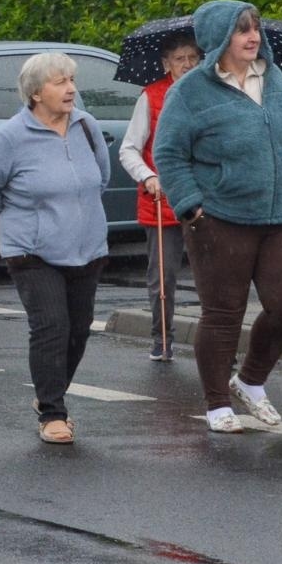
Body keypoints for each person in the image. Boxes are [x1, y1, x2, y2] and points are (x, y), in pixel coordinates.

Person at [154, 1, 282, 433]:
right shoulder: (191, 91)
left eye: (255, 29)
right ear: (219, 38)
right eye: (242, 31)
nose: (253, 37)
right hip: (220, 217)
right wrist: (190, 206)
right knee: (223, 313)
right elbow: (169, 154)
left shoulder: (274, 81)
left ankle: (251, 380)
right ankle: (217, 402)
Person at [0, 52, 110, 445]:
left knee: (78, 331)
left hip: (86, 246)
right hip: (31, 251)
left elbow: (100, 178)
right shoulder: (12, 136)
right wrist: (19, 221)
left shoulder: (87, 126)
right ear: (35, 93)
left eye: (71, 80)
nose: (70, 89)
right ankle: (53, 412)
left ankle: (50, 390)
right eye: (59, 82)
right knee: (51, 326)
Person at [119, 30, 201, 361]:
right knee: (163, 278)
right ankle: (162, 338)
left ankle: (220, 346)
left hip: (206, 201)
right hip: (162, 199)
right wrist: (148, 176)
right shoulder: (151, 96)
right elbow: (129, 150)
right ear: (166, 63)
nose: (187, 64)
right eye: (179, 59)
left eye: (193, 58)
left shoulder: (212, 94)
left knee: (214, 276)